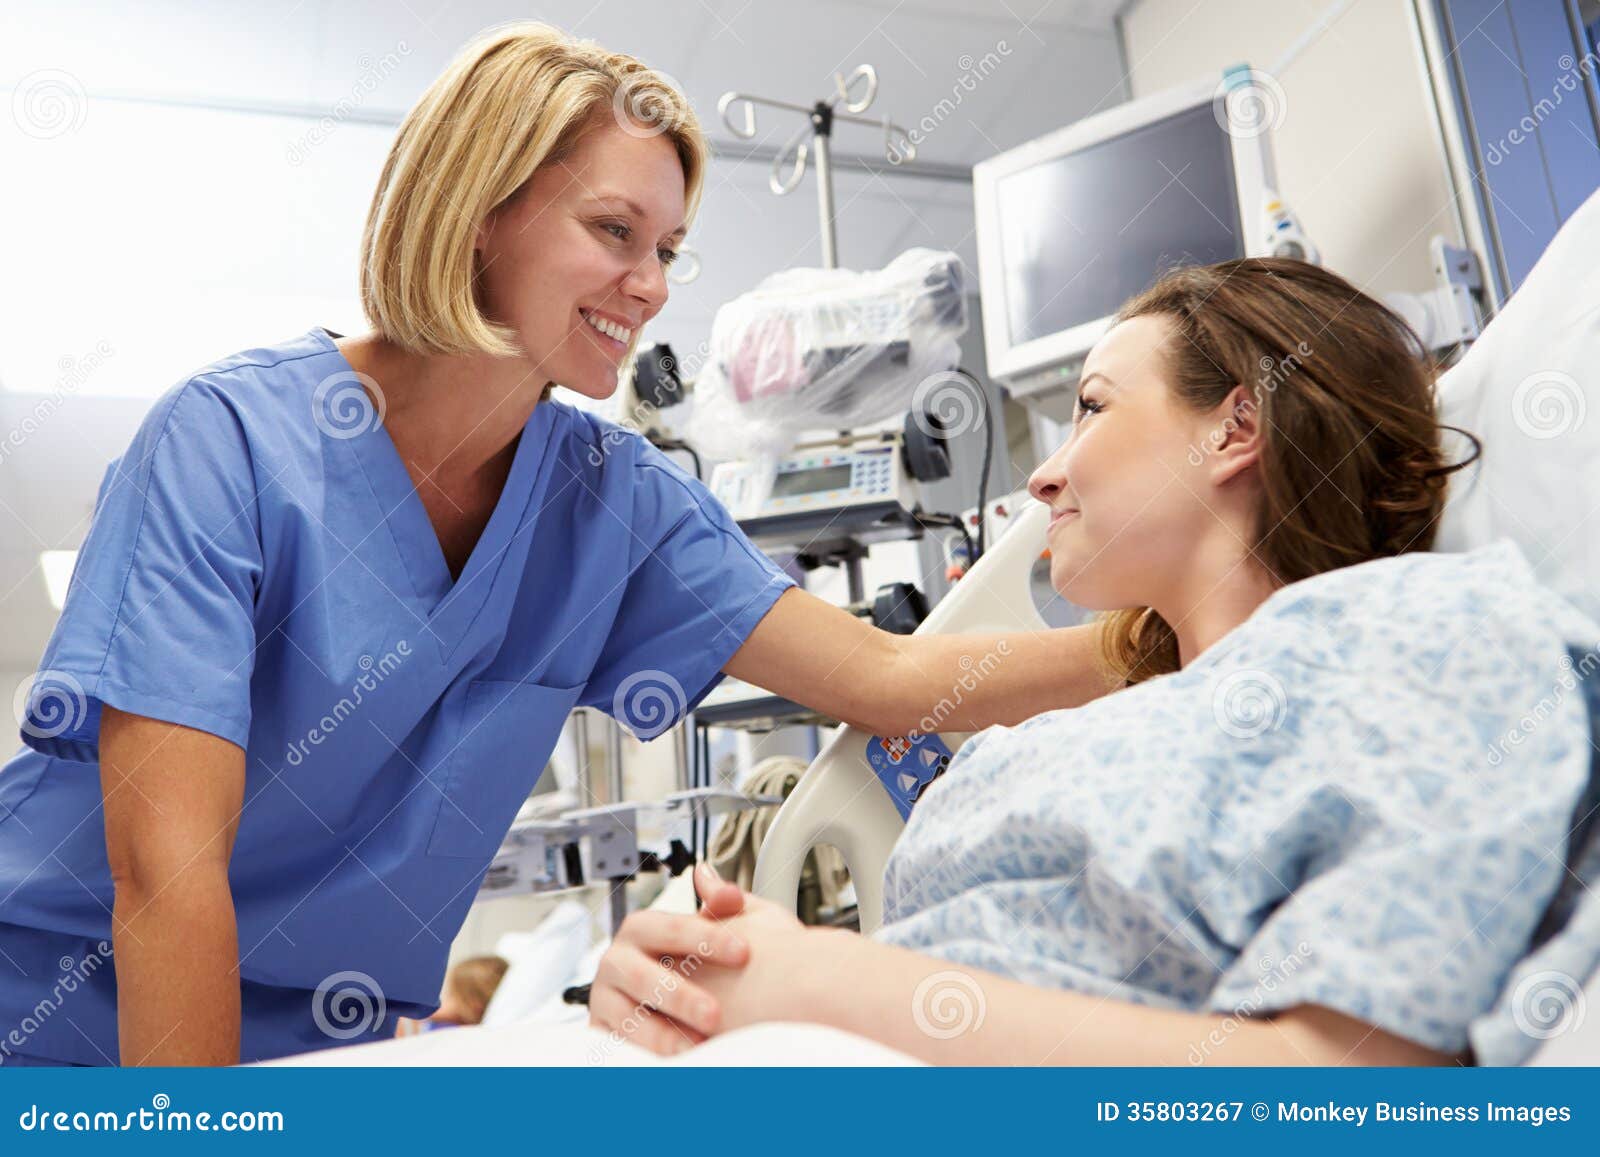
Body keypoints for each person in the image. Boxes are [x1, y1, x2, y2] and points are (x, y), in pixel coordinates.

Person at [0, 23, 1107, 1067]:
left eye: (668, 248)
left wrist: (1187, 631)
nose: (654, 284)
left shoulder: (610, 501)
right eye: (613, 231)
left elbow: (895, 675)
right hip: (53, 1010)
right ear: (481, 209)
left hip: (315, 1050)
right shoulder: (228, 442)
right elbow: (166, 869)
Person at [590, 258, 1595, 1065]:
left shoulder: (1424, 632)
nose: (1043, 470)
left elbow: (1352, 1090)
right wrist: (690, 976)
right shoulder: (1062, 738)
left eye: (1093, 405)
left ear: (1236, 426)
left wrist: (814, 981)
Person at [394, 956, 509, 1037]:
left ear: (475, 1005)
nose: (444, 1000)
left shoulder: (462, 1034)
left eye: (451, 995)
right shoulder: (446, 1021)